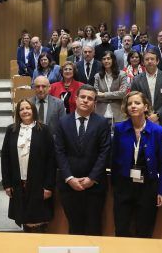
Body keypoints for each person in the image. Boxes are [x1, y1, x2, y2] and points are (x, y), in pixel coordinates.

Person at [53, 84, 110, 235]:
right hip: (69, 185)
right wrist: (70, 178)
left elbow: (104, 152)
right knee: (74, 227)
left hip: (94, 186)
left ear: (94, 103)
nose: (85, 101)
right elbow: (59, 152)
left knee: (94, 227)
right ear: (76, 99)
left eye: (90, 98)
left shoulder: (102, 123)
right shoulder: (63, 122)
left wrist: (91, 178)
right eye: (83, 97)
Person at [111, 91, 162, 237]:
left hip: (148, 187)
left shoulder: (158, 131)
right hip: (124, 185)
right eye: (129, 104)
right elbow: (114, 158)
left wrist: (161, 190)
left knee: (144, 231)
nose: (133, 106)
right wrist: (116, 186)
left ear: (146, 107)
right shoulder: (119, 129)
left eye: (137, 103)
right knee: (122, 229)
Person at [1, 98, 55, 232]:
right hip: (18, 184)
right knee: (24, 217)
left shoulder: (44, 130)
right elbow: (5, 158)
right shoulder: (11, 130)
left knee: (38, 221)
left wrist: (48, 186)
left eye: (28, 108)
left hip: (39, 184)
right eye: (21, 109)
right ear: (18, 113)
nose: (25, 111)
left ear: (33, 110)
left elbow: (51, 160)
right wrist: (7, 184)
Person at [131, 49, 162, 129]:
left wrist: (157, 115)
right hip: (143, 120)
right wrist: (147, 115)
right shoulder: (137, 80)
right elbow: (134, 101)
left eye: (152, 59)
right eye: (147, 59)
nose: (149, 61)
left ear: (157, 61)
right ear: (143, 62)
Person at [94, 51, 128, 125]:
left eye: (108, 58)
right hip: (101, 113)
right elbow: (95, 95)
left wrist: (103, 95)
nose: (106, 61)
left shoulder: (122, 74)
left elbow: (123, 93)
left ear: (113, 60)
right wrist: (115, 96)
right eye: (104, 59)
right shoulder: (97, 76)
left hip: (118, 113)